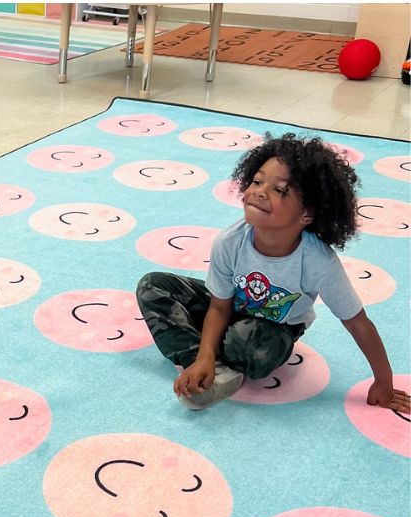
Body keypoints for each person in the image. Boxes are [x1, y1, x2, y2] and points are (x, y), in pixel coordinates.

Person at [136, 132, 410, 413]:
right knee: (153, 286)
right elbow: (219, 306)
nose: (259, 191)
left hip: (277, 327)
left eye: (279, 190)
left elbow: (357, 322)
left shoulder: (317, 261)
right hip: (231, 309)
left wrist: (384, 382)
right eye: (257, 181)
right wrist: (203, 357)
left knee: (250, 346)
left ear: (307, 213)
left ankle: (216, 354)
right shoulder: (229, 241)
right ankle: (205, 363)